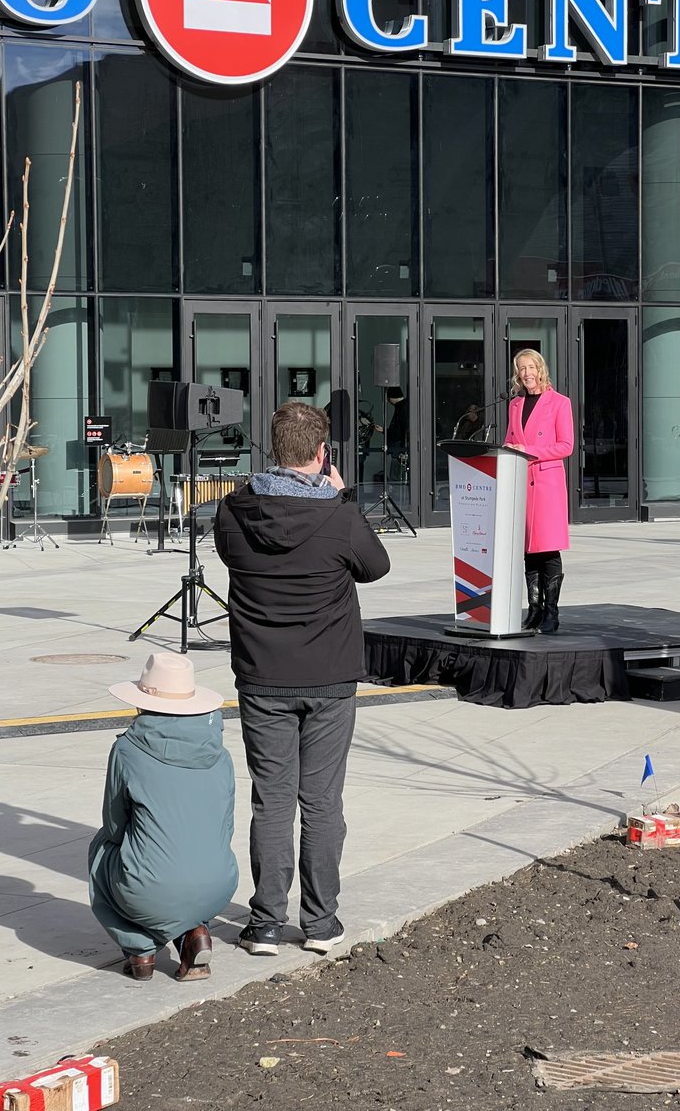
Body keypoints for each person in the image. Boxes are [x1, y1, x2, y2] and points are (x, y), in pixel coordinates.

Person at [214, 401, 390, 958]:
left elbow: (229, 557)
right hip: (330, 676)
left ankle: (265, 923)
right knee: (321, 801)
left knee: (272, 800)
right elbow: (376, 565)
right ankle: (320, 922)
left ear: (273, 449)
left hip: (263, 676)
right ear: (321, 453)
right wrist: (340, 497)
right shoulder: (338, 517)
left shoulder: (233, 513)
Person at [88, 653, 238, 983]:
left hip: (151, 888)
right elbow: (225, 825)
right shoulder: (221, 755)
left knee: (102, 850)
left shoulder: (127, 750)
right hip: (220, 886)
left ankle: (140, 949)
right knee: (187, 856)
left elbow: (114, 827)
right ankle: (194, 932)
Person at [503, 348, 574, 634]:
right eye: (521, 368)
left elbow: (565, 446)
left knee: (547, 549)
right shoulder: (515, 405)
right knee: (528, 550)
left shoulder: (559, 403)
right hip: (521, 483)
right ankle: (533, 610)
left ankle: (551, 613)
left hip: (546, 484)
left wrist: (528, 450)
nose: (527, 373)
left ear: (540, 369)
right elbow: (511, 439)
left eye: (531, 367)